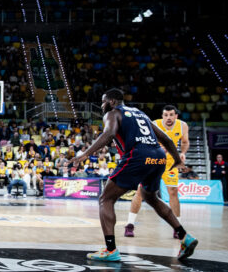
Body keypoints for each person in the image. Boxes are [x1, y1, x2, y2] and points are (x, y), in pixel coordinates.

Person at [70, 89, 197, 261]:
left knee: (105, 199)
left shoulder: (113, 113)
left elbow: (109, 134)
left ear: (112, 101)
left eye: (103, 101)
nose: (102, 105)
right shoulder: (141, 114)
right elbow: (166, 138)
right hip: (159, 157)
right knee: (151, 197)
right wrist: (177, 159)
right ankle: (184, 236)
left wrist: (85, 154)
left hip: (138, 156)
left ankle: (110, 250)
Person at [125, 105, 189, 238]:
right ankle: (130, 225)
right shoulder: (154, 124)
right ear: (162, 116)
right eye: (166, 115)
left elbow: (185, 142)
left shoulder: (183, 126)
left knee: (173, 192)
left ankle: (177, 227)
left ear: (176, 116)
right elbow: (143, 141)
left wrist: (183, 153)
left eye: (171, 115)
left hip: (170, 162)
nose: (168, 118)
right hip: (153, 159)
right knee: (140, 192)